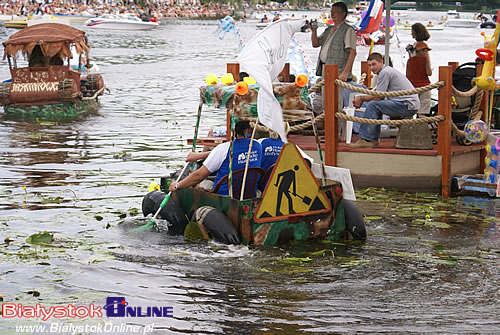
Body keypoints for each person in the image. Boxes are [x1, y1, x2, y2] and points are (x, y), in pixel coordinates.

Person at [169, 120, 262, 196]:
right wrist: (198, 156)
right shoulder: (258, 146)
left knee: (197, 183)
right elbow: (219, 153)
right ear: (249, 129)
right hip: (248, 194)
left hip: (225, 195)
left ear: (230, 128)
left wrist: (177, 185)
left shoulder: (225, 148)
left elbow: (199, 175)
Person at [349, 53, 420, 149]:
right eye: (369, 65)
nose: (371, 68)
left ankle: (367, 139)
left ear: (381, 62)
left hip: (407, 105)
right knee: (376, 105)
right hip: (407, 104)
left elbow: (378, 97)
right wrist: (361, 97)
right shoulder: (386, 71)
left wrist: (361, 98)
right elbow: (376, 92)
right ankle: (372, 139)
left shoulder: (385, 72)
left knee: (374, 105)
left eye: (374, 64)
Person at [311, 2, 356, 82]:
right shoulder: (328, 30)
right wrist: (314, 31)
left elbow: (352, 52)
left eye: (335, 12)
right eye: (331, 12)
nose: (332, 14)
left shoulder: (348, 30)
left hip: (339, 73)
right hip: (326, 71)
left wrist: (345, 73)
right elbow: (315, 44)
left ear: (343, 14)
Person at [406, 23, 432, 115]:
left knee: (409, 110)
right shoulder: (424, 48)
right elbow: (429, 72)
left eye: (412, 32)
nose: (411, 34)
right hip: (424, 84)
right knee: (422, 112)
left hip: (412, 83)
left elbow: (410, 65)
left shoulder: (413, 48)